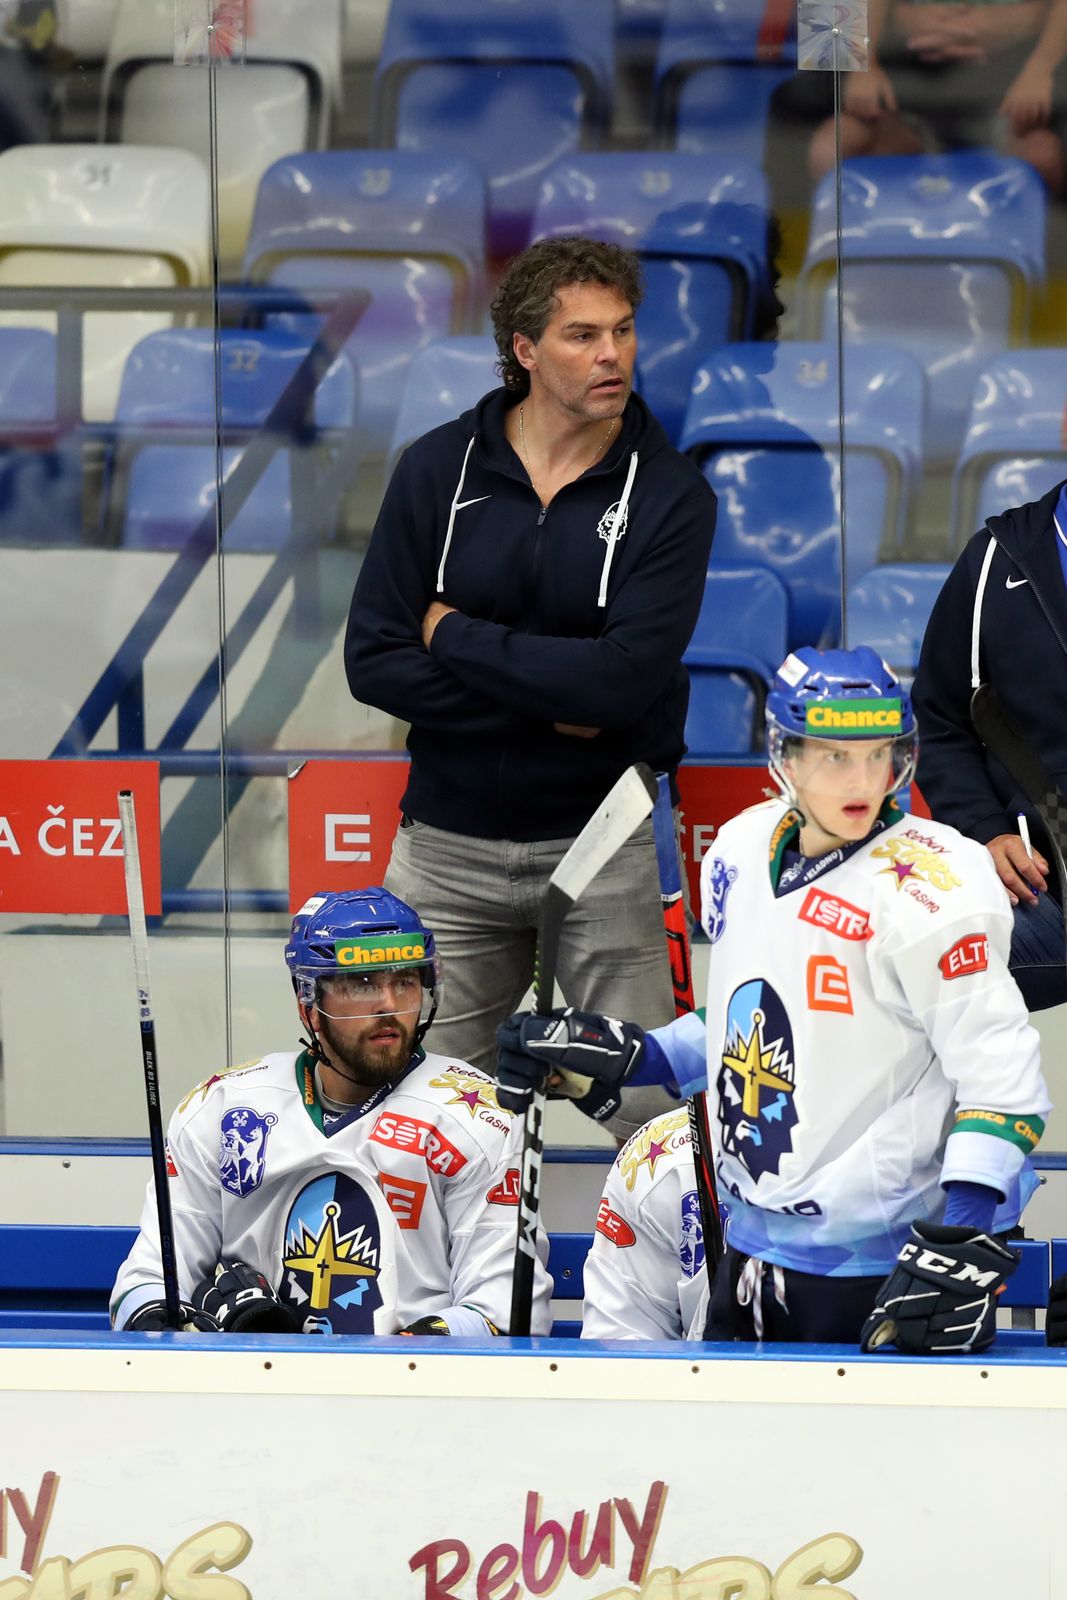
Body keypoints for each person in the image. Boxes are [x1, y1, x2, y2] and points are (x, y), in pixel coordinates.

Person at [497, 647, 1050, 1352]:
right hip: (750, 1246)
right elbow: (740, 1024)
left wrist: (960, 1236)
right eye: (833, 756)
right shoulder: (737, 848)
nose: (862, 781)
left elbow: (1001, 1086)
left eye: (878, 754)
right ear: (782, 755)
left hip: (891, 1267)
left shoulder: (936, 883)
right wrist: (633, 1054)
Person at [344, 234, 717, 1136]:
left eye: (623, 332)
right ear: (523, 350)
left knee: (654, 1119)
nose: (611, 356)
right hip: (446, 844)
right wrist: (553, 702)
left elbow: (620, 687)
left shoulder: (671, 494)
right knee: (424, 1120)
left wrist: (454, 634)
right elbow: (373, 661)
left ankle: (675, 1282)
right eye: (582, 336)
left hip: (605, 843)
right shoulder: (437, 470)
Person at [111, 887, 552, 1337]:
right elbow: (146, 1281)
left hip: (418, 1394)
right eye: (361, 983)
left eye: (405, 981)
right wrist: (168, 1324)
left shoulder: (479, 1119)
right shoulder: (223, 1110)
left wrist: (383, 1364)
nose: (389, 1004)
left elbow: (506, 1314)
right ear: (309, 1004)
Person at [912, 477, 1067, 1011]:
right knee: (897, 965)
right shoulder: (996, 559)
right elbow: (939, 719)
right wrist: (986, 829)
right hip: (1046, 886)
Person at [800, 0, 1067, 193]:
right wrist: (862, 67)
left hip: (1010, 97)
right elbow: (824, 45)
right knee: (832, 147)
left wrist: (1040, 64)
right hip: (898, 99)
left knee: (1042, 157)